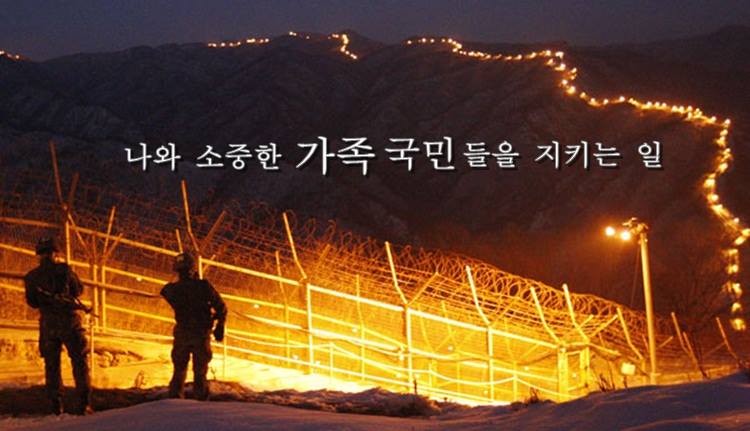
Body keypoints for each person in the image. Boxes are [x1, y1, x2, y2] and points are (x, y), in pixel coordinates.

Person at [24, 237, 92, 415]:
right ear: (55, 253)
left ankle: (56, 405)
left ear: (39, 254)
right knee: (79, 360)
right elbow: (78, 290)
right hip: (69, 320)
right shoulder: (64, 270)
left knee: (52, 364)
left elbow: (32, 302)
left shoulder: (31, 277)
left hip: (48, 324)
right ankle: (83, 403)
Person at [161, 252, 227, 400]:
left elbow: (165, 290)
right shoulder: (203, 286)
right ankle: (200, 402)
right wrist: (220, 325)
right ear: (193, 269)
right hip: (200, 333)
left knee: (179, 370)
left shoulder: (173, 289)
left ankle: (174, 401)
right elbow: (221, 307)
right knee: (200, 371)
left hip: (183, 333)